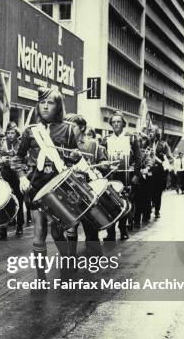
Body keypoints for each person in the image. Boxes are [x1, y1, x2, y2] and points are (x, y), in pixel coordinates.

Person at [15, 87, 80, 265]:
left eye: (50, 103)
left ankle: (67, 260)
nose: (45, 106)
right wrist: (21, 176)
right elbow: (17, 158)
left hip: (59, 187)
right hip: (35, 186)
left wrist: (75, 157)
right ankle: (40, 279)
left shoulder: (67, 130)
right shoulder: (30, 131)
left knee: (57, 231)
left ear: (58, 106)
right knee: (40, 230)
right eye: (42, 102)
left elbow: (74, 158)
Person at [69, 114, 108, 255]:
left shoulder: (92, 144)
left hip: (88, 191)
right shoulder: (62, 144)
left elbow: (103, 162)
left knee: (91, 226)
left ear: (82, 127)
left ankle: (95, 259)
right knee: (70, 226)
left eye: (72, 126)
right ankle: (71, 260)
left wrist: (103, 164)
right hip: (70, 191)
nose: (68, 128)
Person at [101, 110, 142, 240]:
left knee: (124, 202)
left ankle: (123, 230)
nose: (116, 124)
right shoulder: (106, 139)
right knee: (110, 204)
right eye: (114, 122)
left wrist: (136, 174)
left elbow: (138, 158)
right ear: (111, 124)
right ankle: (110, 233)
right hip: (111, 176)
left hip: (126, 176)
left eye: (119, 122)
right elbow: (101, 157)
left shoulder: (132, 138)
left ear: (123, 124)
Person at [0, 122, 24, 240]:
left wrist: (16, 156)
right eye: (8, 133)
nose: (10, 135)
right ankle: (3, 229)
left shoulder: (21, 144)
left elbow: (24, 157)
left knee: (20, 199)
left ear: (17, 134)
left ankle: (20, 225)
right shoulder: (3, 143)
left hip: (17, 173)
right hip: (6, 172)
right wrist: (0, 159)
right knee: (5, 199)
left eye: (12, 133)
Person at [148, 126, 173, 218]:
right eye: (150, 131)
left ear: (157, 133)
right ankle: (149, 208)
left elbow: (170, 158)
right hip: (149, 169)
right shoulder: (147, 143)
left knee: (158, 192)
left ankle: (157, 210)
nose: (150, 133)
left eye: (152, 131)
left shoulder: (163, 144)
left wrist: (166, 161)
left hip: (159, 171)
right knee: (149, 191)